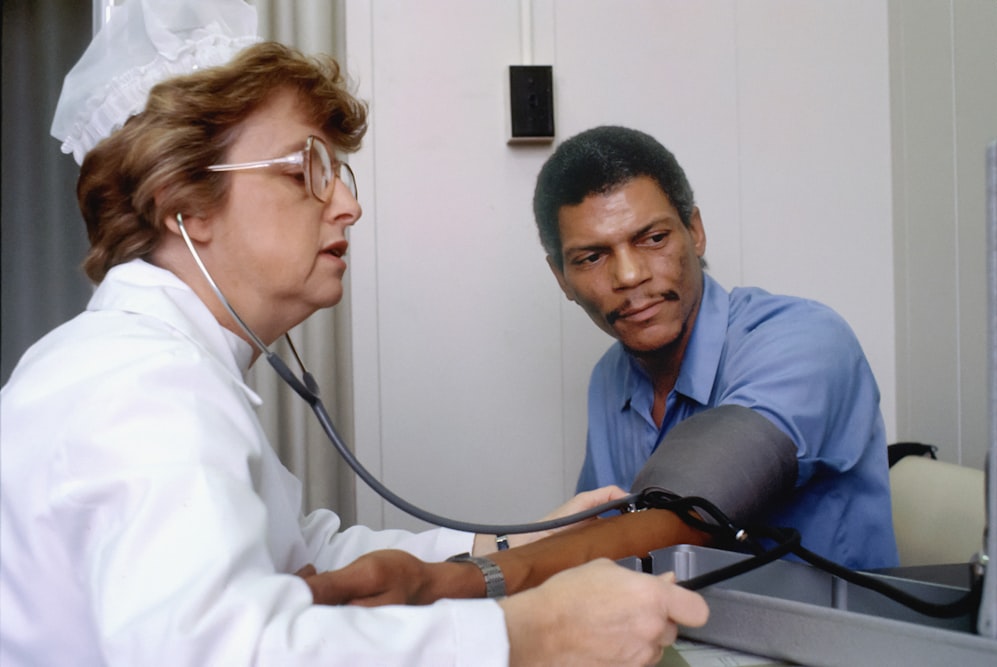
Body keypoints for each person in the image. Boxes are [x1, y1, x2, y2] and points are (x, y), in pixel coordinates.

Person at [0, 3, 708, 666]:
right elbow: (226, 650)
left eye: (338, 172)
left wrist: (508, 540)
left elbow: (310, 553)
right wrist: (528, 632)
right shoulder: (140, 388)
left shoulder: (163, 372)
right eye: (307, 168)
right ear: (184, 203)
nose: (349, 204)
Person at [531, 125, 899, 571]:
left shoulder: (806, 339)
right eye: (592, 257)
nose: (629, 276)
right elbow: (598, 545)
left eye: (653, 238)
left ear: (695, 231)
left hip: (838, 635)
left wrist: (475, 574)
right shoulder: (608, 380)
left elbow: (692, 506)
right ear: (561, 278)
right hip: (678, 632)